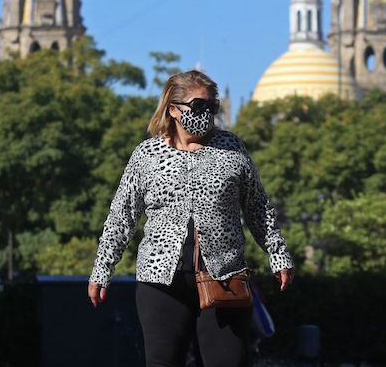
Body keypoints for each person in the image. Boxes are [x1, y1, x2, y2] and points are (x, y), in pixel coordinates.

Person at [88, 70, 294, 367]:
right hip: (161, 280)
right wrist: (101, 269)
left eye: (212, 107)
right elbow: (121, 217)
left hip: (224, 276)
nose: (206, 114)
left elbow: (258, 207)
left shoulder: (230, 148)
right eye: (198, 107)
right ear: (173, 109)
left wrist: (278, 253)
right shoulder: (147, 155)